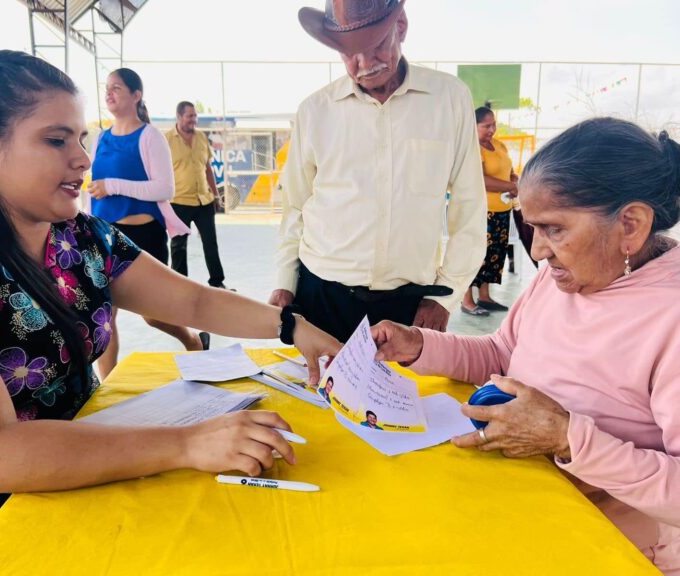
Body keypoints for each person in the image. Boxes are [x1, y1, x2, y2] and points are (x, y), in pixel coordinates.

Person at [0, 50, 341, 575]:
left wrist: (292, 327)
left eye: (80, 139)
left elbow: (193, 300)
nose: (82, 160)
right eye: (55, 140)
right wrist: (187, 443)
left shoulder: (81, 236)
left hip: (84, 467)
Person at [371, 117, 680, 574]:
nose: (537, 252)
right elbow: (502, 354)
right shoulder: (561, 280)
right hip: (524, 507)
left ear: (630, 226)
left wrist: (566, 438)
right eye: (531, 228)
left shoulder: (670, 316)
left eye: (554, 229)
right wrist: (418, 346)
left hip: (610, 547)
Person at [269, 0, 486, 342]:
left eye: (376, 47)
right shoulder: (314, 111)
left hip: (409, 304)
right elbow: (295, 205)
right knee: (315, 394)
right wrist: (285, 282)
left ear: (400, 26)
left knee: (406, 396)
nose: (364, 64)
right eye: (348, 54)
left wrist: (445, 294)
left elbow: (470, 206)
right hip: (322, 298)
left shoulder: (449, 99)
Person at [85, 69, 207, 380]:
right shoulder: (99, 138)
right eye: (106, 88)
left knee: (151, 316)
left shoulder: (149, 136)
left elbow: (164, 189)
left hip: (142, 236)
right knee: (105, 316)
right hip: (102, 235)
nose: (109, 93)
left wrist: (112, 185)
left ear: (136, 95)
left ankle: (192, 340)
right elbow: (92, 188)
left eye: (117, 88)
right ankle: (107, 388)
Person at [165, 101, 231, 289]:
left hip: (204, 201)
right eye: (190, 116)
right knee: (178, 246)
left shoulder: (202, 137)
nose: (194, 119)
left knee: (211, 243)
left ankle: (217, 282)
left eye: (195, 116)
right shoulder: (167, 140)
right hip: (178, 202)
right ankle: (180, 284)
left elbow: (208, 168)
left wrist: (216, 195)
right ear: (179, 117)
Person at [461, 105, 517, 316]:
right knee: (476, 254)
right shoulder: (473, 148)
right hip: (482, 211)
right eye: (486, 126)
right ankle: (467, 300)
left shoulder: (499, 146)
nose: (492, 129)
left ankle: (484, 297)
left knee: (494, 255)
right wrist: (510, 187)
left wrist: (514, 181)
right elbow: (480, 179)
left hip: (502, 210)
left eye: (494, 125)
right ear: (474, 126)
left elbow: (510, 171)